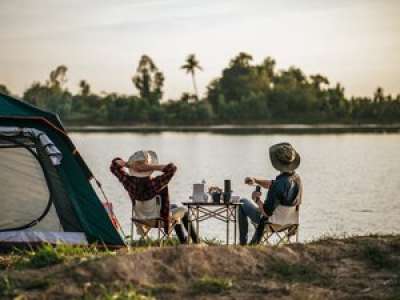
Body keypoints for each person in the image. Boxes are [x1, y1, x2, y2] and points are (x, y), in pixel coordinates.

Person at [110, 150, 199, 244]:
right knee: (183, 211)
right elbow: (172, 168)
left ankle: (184, 241)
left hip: (141, 219)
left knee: (173, 207)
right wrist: (152, 167)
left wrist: (130, 165)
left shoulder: (128, 182)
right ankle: (195, 242)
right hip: (159, 220)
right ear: (148, 168)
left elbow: (113, 166)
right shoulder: (155, 183)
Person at [239, 143, 303, 245]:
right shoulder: (297, 179)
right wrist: (255, 180)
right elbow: (272, 184)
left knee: (242, 203)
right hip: (290, 223)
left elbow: (266, 212)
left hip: (271, 223)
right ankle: (247, 243)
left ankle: (243, 244)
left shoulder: (278, 185)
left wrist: (256, 200)